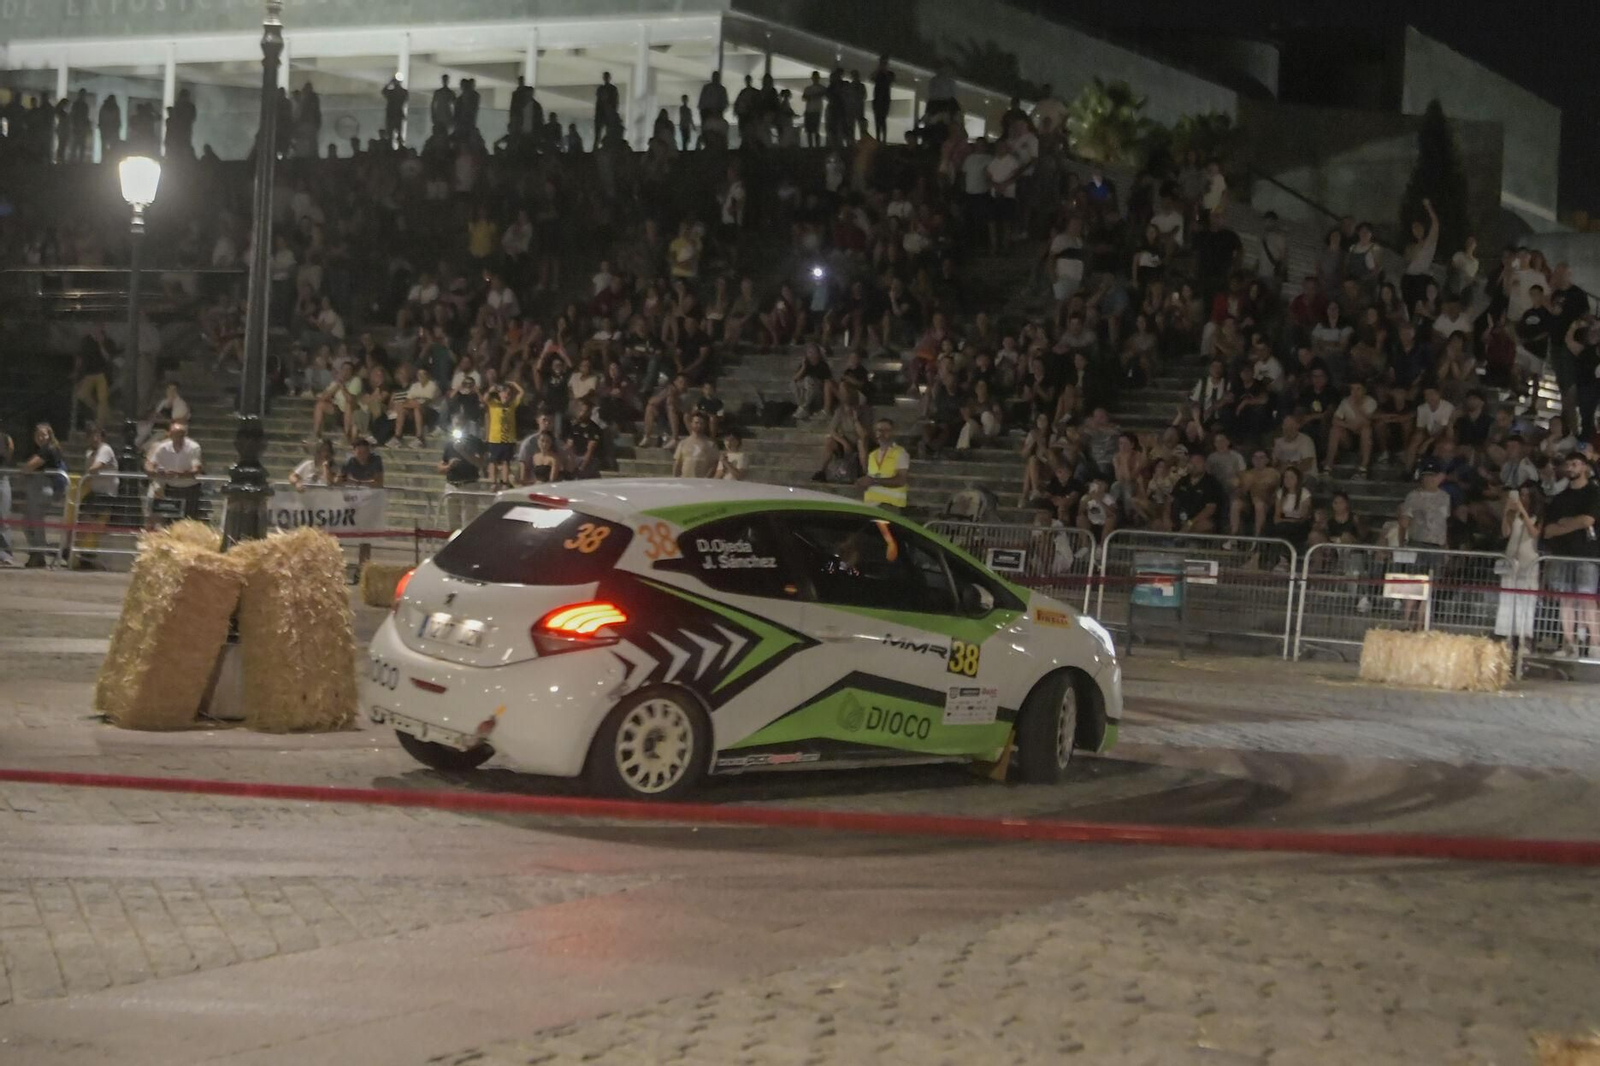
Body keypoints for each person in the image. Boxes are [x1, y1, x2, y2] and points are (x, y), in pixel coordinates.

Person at [1540, 452, 1600, 659]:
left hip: (1586, 553)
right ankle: (1569, 643)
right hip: (1562, 553)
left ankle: (1595, 644)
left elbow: (1587, 520)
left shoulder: (1594, 492)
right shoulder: (1560, 497)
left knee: (1586, 599)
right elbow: (1547, 530)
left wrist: (1564, 524)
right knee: (1565, 600)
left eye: (1575, 464)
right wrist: (1570, 524)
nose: (1571, 468)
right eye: (1569, 464)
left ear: (1584, 467)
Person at [1494, 483, 1544, 662]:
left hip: (1528, 561)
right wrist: (1507, 511)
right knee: (1508, 598)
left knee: (1525, 600)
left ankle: (1525, 639)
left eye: (1525, 494)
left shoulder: (1538, 515)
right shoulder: (1513, 513)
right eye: (1520, 494)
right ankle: (1507, 638)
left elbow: (1534, 533)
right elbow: (1505, 532)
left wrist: (1522, 511)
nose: (1522, 497)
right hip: (1511, 559)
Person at [19, 423, 68, 567]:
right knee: (28, 522)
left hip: (43, 489)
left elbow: (29, 466)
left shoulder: (48, 449)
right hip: (39, 489)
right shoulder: (43, 449)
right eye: (38, 435)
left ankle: (39, 554)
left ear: (50, 435)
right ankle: (36, 552)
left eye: (44, 434)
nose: (40, 437)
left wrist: (24, 470)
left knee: (36, 523)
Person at [144, 420, 204, 521]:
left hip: (190, 487)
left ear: (184, 434)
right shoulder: (162, 448)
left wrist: (179, 474)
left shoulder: (194, 447)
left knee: (189, 518)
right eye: (175, 434)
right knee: (170, 517)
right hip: (171, 487)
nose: (178, 437)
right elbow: (150, 464)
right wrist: (155, 472)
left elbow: (196, 469)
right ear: (170, 434)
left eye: (181, 435)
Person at [439, 422, 485, 530]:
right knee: (452, 521)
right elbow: (441, 465)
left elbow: (481, 463)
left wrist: (463, 451)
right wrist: (449, 466)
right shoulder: (449, 444)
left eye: (460, 425)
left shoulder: (475, 442)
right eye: (455, 425)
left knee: (468, 521)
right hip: (452, 485)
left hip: (468, 484)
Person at [858, 418, 909, 511]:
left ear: (893, 432)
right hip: (870, 504)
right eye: (879, 430)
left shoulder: (900, 453)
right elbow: (870, 478)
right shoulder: (873, 455)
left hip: (890, 505)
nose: (882, 433)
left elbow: (901, 480)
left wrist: (874, 481)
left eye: (886, 430)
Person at [482, 380, 524, 487]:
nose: (506, 395)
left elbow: (521, 393)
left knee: (506, 461)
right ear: (500, 394)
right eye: (504, 392)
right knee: (493, 461)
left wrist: (513, 384)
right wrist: (491, 390)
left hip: (508, 438)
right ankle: (493, 482)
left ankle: (504, 482)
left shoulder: (512, 405)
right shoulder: (494, 404)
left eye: (509, 393)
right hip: (495, 438)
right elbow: (485, 399)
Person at [672, 411, 719, 478]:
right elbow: (677, 463)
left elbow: (715, 464)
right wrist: (675, 477)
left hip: (702, 481)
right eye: (696, 423)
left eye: (701, 423)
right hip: (685, 480)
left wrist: (707, 478)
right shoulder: (683, 443)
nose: (699, 425)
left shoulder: (711, 444)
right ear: (691, 423)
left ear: (705, 425)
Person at [0, 424, 15, 567]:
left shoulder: (5, 438)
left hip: (2, 476)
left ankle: (6, 553)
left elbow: (10, 451)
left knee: (3, 517)